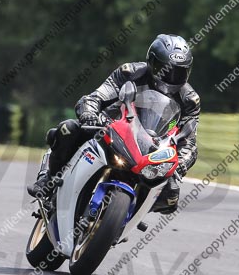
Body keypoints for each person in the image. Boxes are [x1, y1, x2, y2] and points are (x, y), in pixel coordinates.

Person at [27, 34, 200, 214]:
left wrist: (180, 163)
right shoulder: (130, 72)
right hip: (110, 128)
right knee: (67, 130)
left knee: (170, 195)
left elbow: (189, 140)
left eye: (179, 72)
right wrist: (89, 113)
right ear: (151, 62)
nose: (171, 77)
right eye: (164, 69)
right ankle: (49, 178)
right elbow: (97, 96)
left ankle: (129, 215)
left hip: (150, 149)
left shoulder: (190, 100)